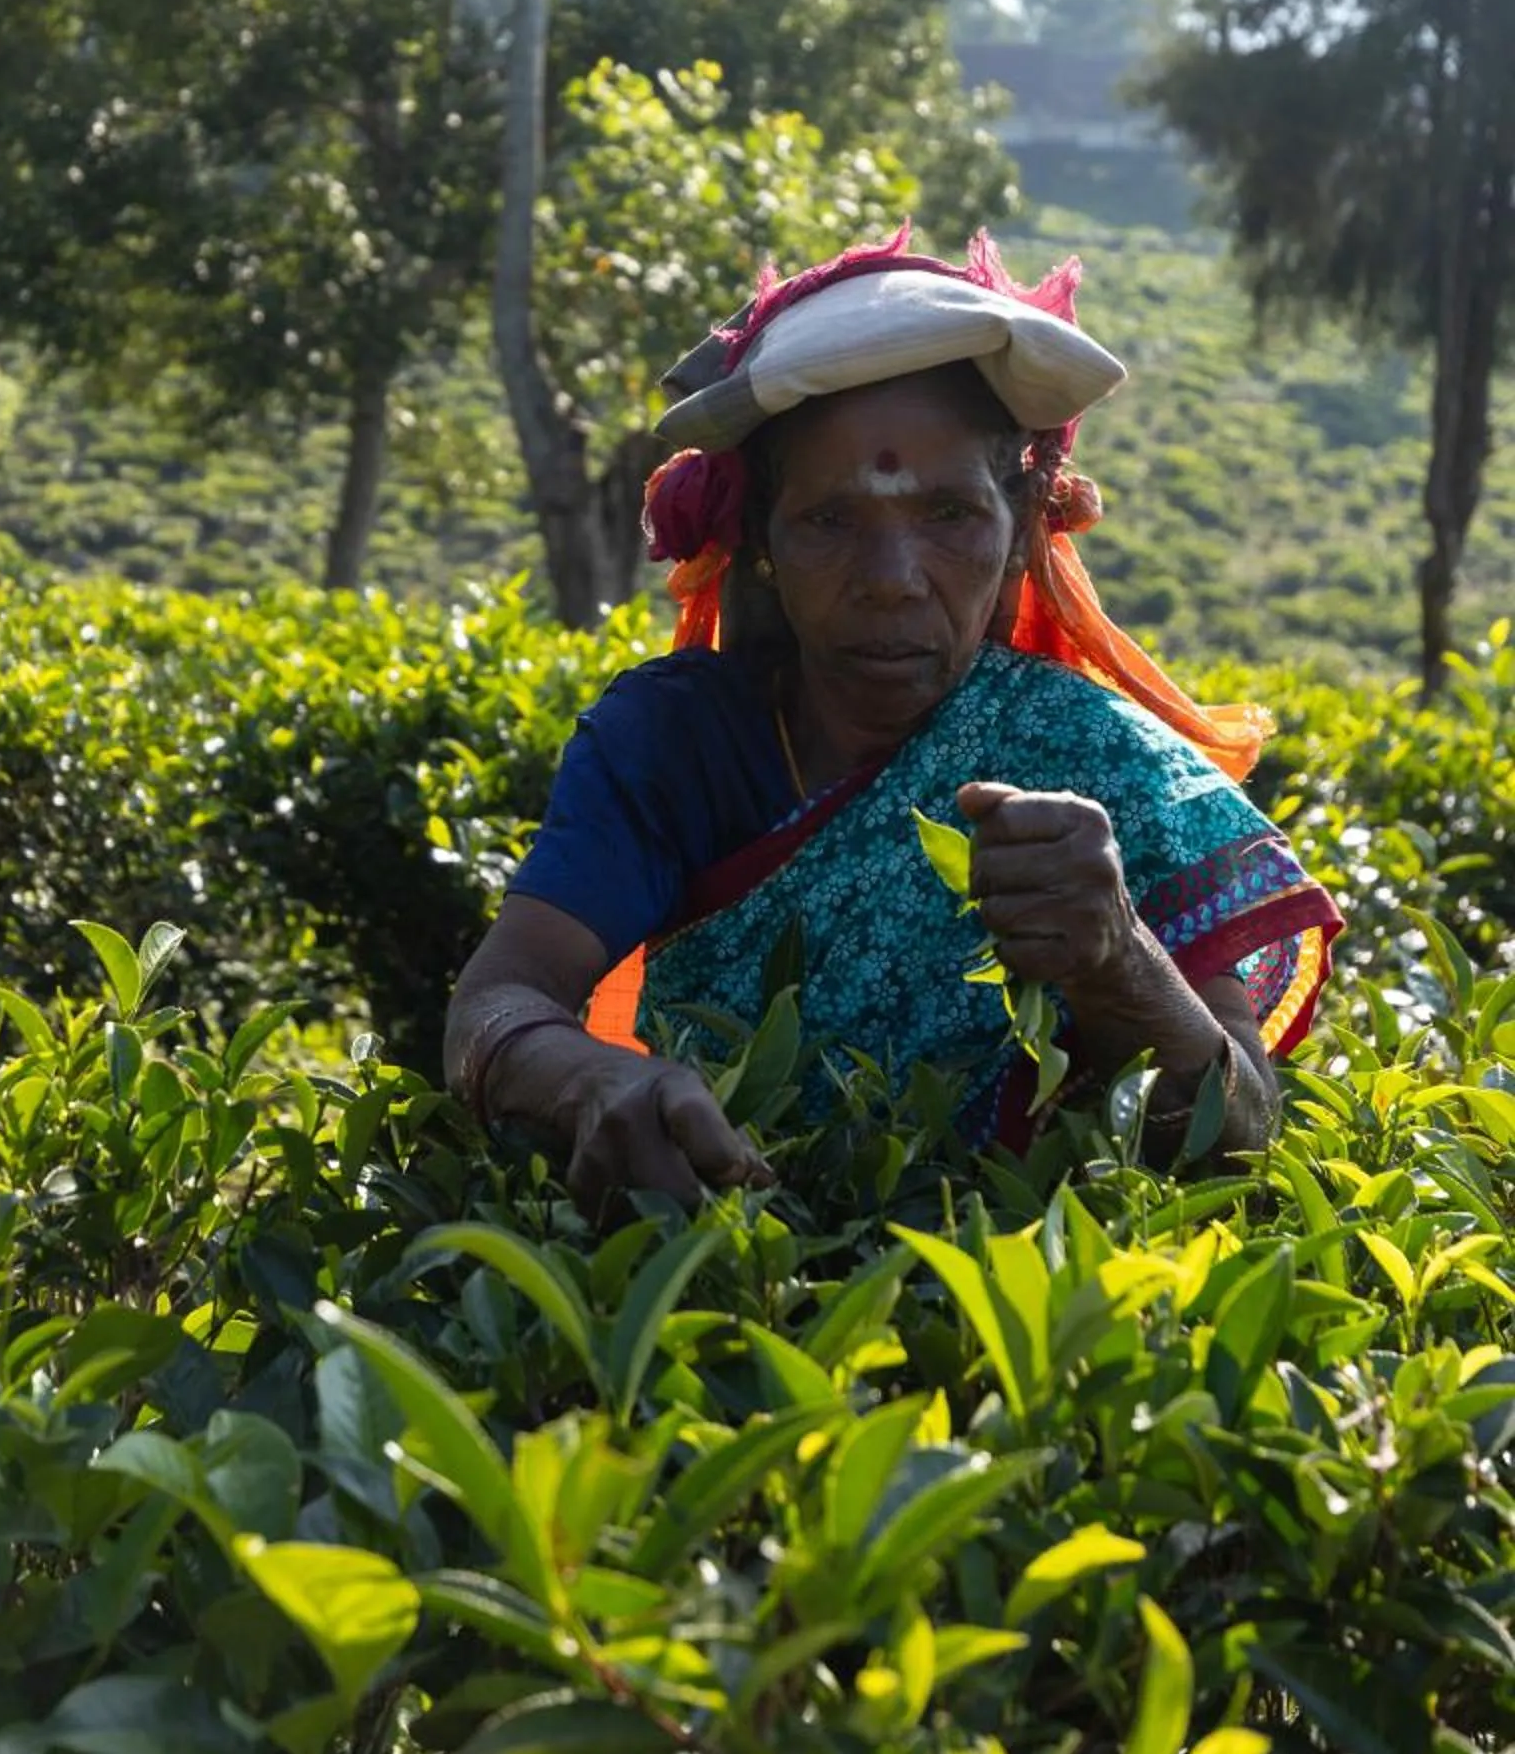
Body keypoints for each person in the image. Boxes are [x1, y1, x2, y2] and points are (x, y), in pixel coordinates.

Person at [446, 230, 1341, 1204]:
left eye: (947, 517)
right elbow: (497, 999)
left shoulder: (1097, 764)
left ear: (1015, 537)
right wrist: (589, 1078)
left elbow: (1240, 1132)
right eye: (831, 522)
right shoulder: (675, 742)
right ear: (760, 546)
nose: (890, 582)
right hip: (721, 1280)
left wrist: (1116, 962)